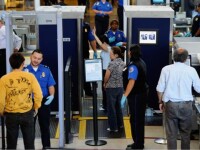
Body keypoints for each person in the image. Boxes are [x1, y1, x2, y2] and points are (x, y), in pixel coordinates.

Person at [156, 48, 200, 150]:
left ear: (173, 57)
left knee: (171, 134)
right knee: (185, 134)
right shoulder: (191, 70)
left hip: (170, 105)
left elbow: (160, 88)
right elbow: (198, 88)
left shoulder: (166, 69)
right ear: (185, 59)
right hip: (186, 105)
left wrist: (160, 102)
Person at [0, 52, 43, 149]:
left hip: (11, 114)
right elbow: (38, 94)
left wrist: (1, 111)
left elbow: (1, 100)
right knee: (29, 144)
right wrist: (36, 106)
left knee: (11, 144)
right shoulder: (30, 77)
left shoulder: (4, 79)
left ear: (11, 63)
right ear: (23, 64)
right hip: (27, 113)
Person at [24, 49, 56, 149]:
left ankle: (46, 147)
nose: (36, 60)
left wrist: (52, 96)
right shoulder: (24, 71)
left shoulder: (46, 70)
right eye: (34, 58)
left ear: (41, 60)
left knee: (45, 126)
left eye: (39, 58)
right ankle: (30, 147)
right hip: (29, 102)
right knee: (30, 127)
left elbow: (51, 85)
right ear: (31, 57)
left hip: (43, 101)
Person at [121, 44, 148, 149]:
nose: (128, 52)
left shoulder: (134, 65)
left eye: (129, 51)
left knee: (136, 120)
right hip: (141, 93)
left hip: (137, 95)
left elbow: (131, 82)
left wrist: (124, 96)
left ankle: (138, 144)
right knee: (139, 119)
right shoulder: (141, 62)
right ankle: (138, 142)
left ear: (132, 52)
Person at [104, 46, 125, 132]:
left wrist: (105, 83)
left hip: (111, 88)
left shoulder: (112, 64)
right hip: (120, 88)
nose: (110, 55)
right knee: (118, 107)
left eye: (111, 53)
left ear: (116, 55)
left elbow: (106, 76)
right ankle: (120, 125)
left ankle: (113, 127)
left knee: (111, 108)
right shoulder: (122, 62)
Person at [93, 27, 111, 111]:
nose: (98, 45)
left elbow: (100, 44)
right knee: (104, 89)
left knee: (106, 88)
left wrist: (94, 35)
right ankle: (105, 104)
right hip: (104, 70)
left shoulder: (108, 49)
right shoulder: (105, 50)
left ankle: (106, 106)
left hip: (107, 71)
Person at [82, 21, 97, 96]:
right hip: (78, 52)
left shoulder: (86, 26)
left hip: (84, 52)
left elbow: (92, 39)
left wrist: (95, 52)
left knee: (85, 71)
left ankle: (87, 90)